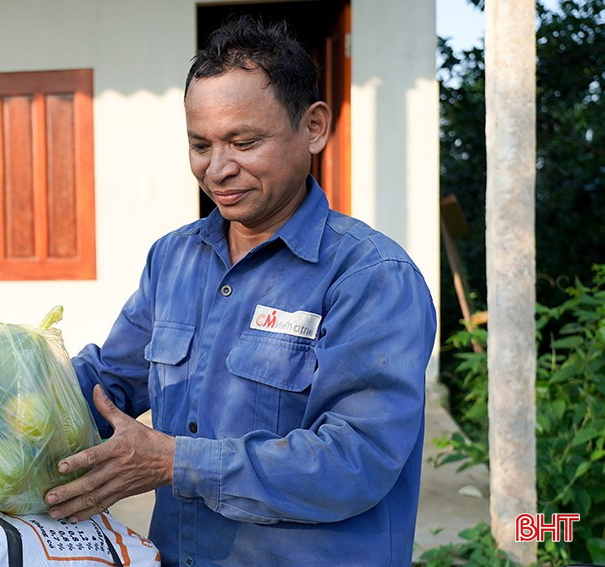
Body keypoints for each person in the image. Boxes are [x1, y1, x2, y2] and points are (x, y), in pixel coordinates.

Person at [44, 16, 437, 566]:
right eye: (200, 145)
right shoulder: (173, 259)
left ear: (315, 128)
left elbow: (357, 460)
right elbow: (109, 381)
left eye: (244, 142)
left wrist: (175, 462)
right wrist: (8, 385)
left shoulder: (371, 277)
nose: (218, 169)